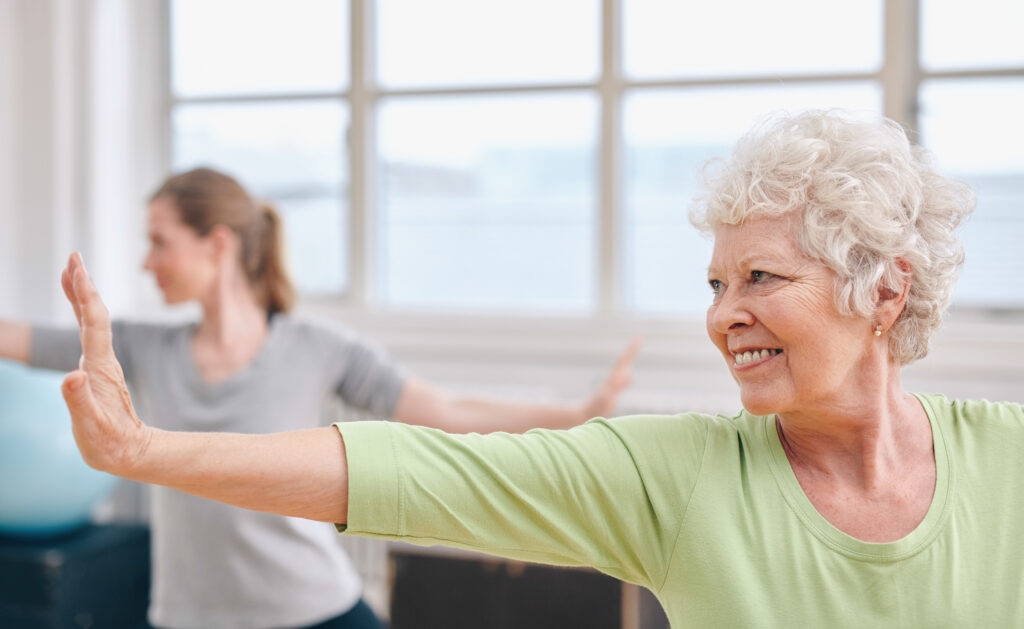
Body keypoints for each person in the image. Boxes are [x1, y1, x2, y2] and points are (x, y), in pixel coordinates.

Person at [57, 110, 1024, 627]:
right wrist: (146, 451)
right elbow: (410, 467)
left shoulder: (1007, 462)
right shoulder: (678, 477)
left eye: (760, 277)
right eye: (716, 282)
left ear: (884, 291)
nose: (723, 315)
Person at [0, 167, 641, 629]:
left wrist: (575, 414)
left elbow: (447, 412)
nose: (146, 262)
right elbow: (20, 339)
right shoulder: (141, 347)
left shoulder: (318, 347)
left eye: (160, 241)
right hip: (190, 617)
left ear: (217, 243)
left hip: (311, 611)